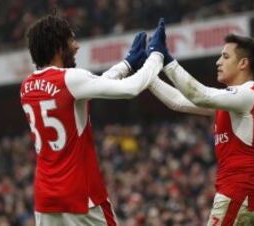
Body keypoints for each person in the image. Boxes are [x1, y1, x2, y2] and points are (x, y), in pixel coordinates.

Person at [20, 15, 167, 226]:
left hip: (46, 200)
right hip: (81, 196)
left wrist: (126, 65)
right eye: (71, 40)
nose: (77, 46)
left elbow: (91, 85)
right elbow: (131, 88)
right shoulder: (69, 79)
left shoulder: (26, 87)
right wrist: (156, 56)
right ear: (58, 47)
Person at [139, 24, 254, 225]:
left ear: (243, 63)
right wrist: (147, 74)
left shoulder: (247, 94)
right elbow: (179, 101)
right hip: (249, 194)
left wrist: (166, 59)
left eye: (225, 57)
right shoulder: (233, 101)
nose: (218, 62)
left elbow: (199, 95)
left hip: (238, 193)